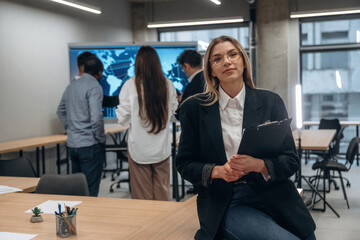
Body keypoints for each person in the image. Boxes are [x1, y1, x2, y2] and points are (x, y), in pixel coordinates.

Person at [176, 36, 316, 240]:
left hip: (275, 195)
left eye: (232, 54)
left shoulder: (270, 101)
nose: (227, 61)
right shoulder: (193, 108)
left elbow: (291, 161)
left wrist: (259, 165)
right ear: (211, 70)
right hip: (228, 201)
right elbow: (185, 164)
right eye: (217, 59)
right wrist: (217, 171)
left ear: (243, 61)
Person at [115, 46, 178, 201]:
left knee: (142, 196)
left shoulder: (130, 85)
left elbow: (123, 119)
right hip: (161, 148)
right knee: (162, 192)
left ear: (137, 64)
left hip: (138, 149)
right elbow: (173, 110)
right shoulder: (167, 84)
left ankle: (148, 224)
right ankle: (164, 224)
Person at [57, 56, 106, 197]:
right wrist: (101, 138)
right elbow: (96, 118)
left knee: (77, 189)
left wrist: (72, 126)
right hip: (90, 145)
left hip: (73, 145)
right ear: (99, 72)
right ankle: (89, 218)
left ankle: (78, 218)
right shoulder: (95, 87)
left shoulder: (71, 85)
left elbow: (60, 111)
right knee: (91, 190)